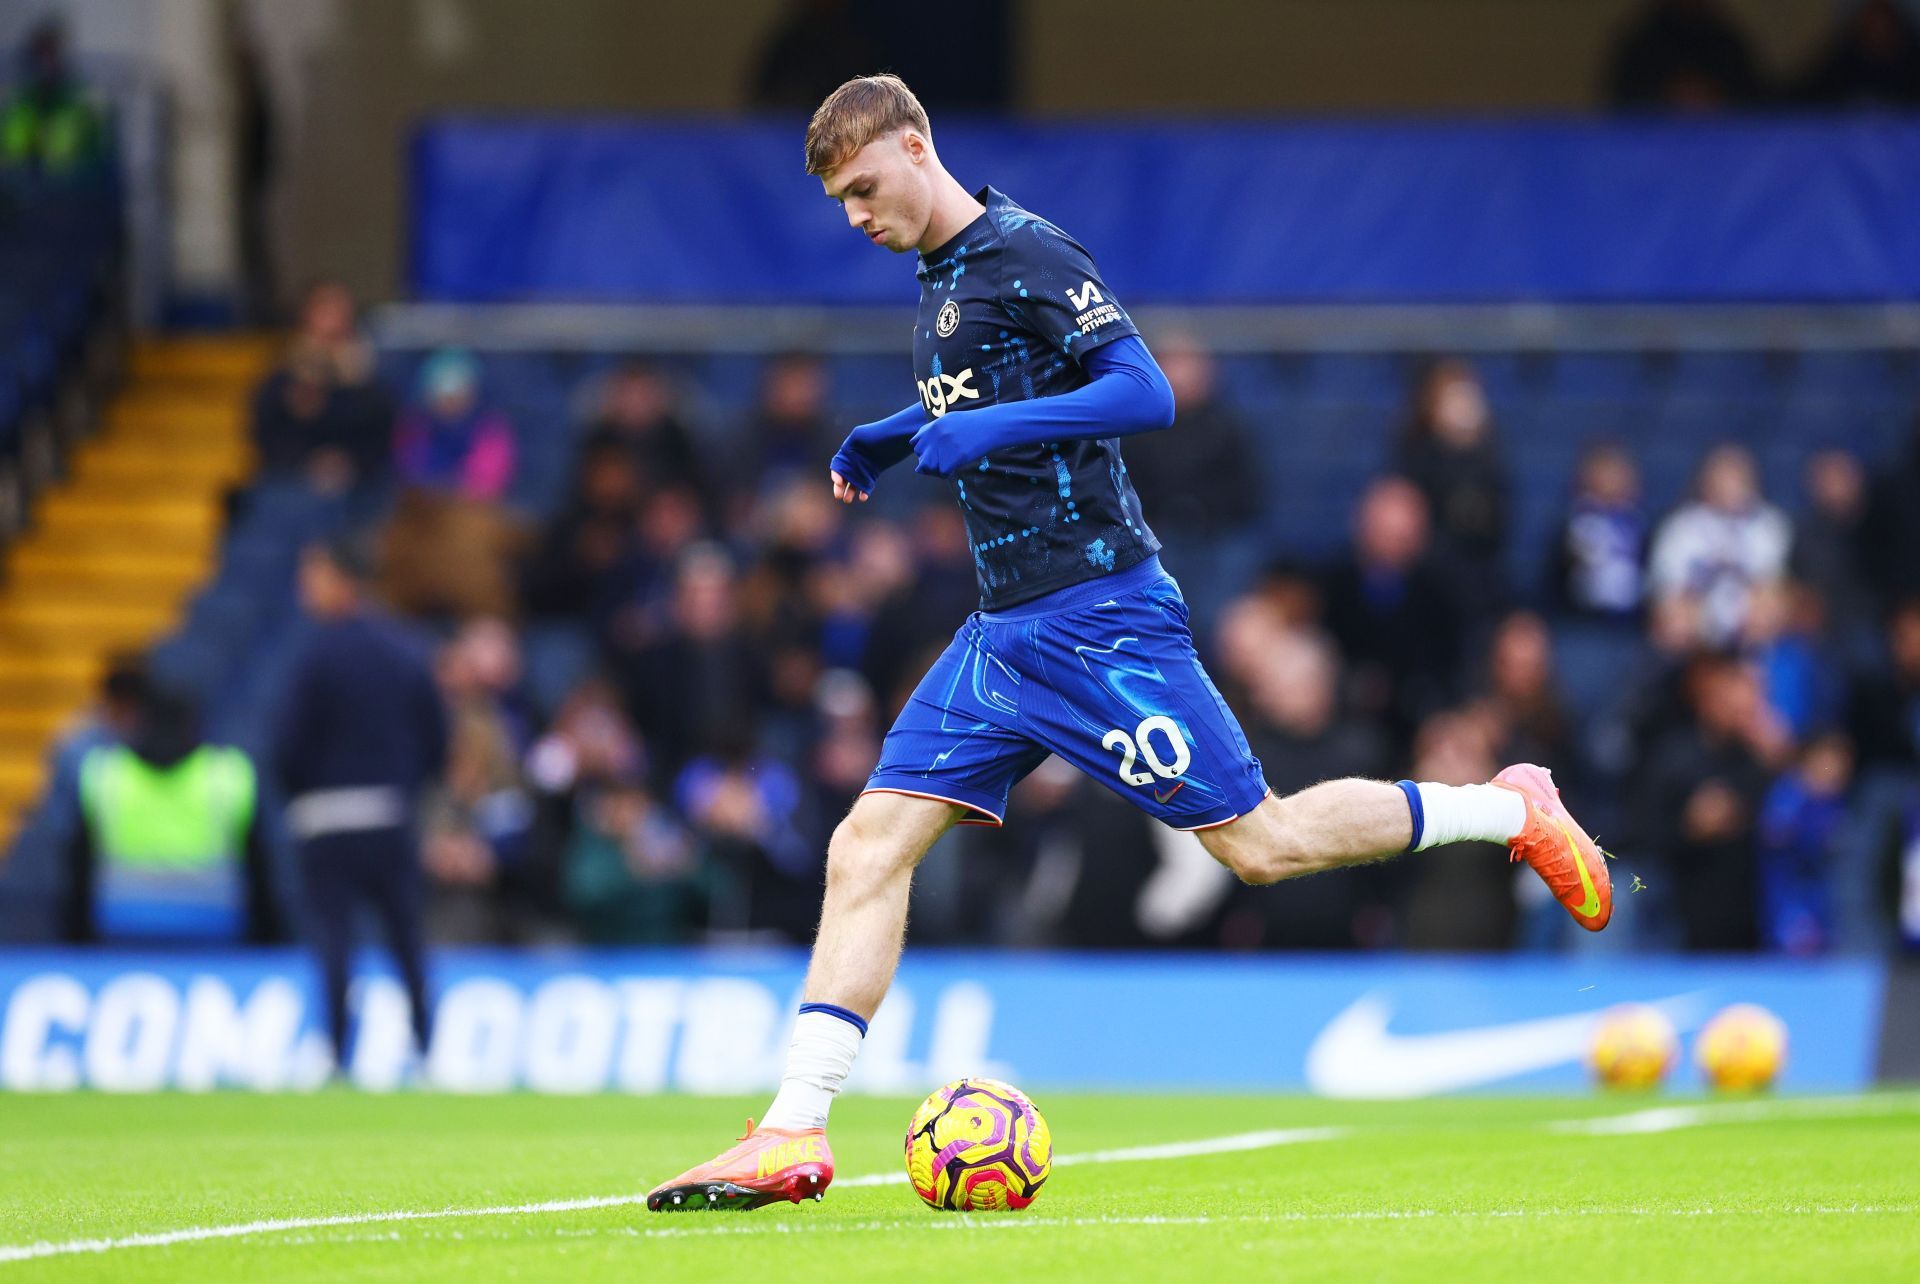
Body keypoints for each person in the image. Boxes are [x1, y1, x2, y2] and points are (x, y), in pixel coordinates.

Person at [646, 74, 1614, 1213]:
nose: (855, 215)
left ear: (915, 147)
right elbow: (988, 387)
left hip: (1101, 616)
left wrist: (984, 428)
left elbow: (1142, 392)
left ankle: (1510, 808)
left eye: (864, 187)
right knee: (865, 847)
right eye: (838, 201)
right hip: (1004, 634)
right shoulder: (942, 279)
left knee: (1262, 844)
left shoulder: (1027, 250)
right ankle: (792, 1132)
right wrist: (899, 435)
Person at [273, 536, 448, 1073]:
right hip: (390, 813)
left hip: (326, 818)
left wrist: (303, 790)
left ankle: (334, 1054)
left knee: (334, 941)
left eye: (314, 575)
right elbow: (436, 734)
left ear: (340, 578)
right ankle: (426, 1050)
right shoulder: (406, 648)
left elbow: (288, 744)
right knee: (406, 936)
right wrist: (406, 788)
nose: (306, 587)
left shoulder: (314, 654)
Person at [65, 682, 276, 944]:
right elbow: (259, 868)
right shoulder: (228, 775)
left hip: (121, 927)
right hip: (216, 926)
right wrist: (269, 940)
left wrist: (75, 942)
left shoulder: (105, 774)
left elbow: (78, 868)